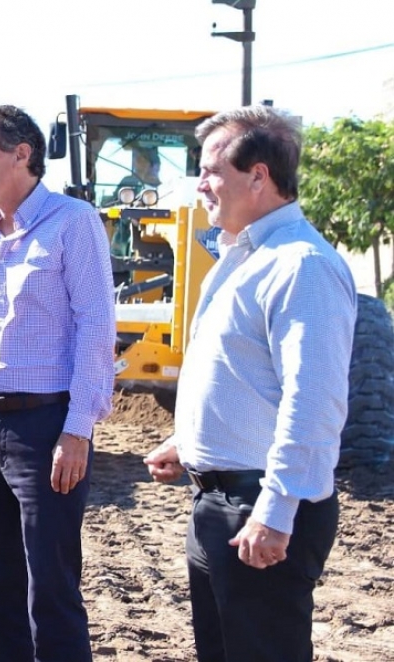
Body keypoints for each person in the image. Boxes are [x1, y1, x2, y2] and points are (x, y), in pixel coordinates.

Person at [143, 106, 356, 662]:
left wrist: (275, 511)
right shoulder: (239, 257)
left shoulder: (302, 266)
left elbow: (313, 402)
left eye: (211, 170)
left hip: (260, 507)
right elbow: (241, 373)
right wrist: (187, 442)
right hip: (218, 501)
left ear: (258, 176)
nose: (200, 184)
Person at [0, 100, 116, 661]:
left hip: (45, 429)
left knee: (51, 591)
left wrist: (78, 429)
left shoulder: (73, 222)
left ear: (21, 154)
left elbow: (97, 327)